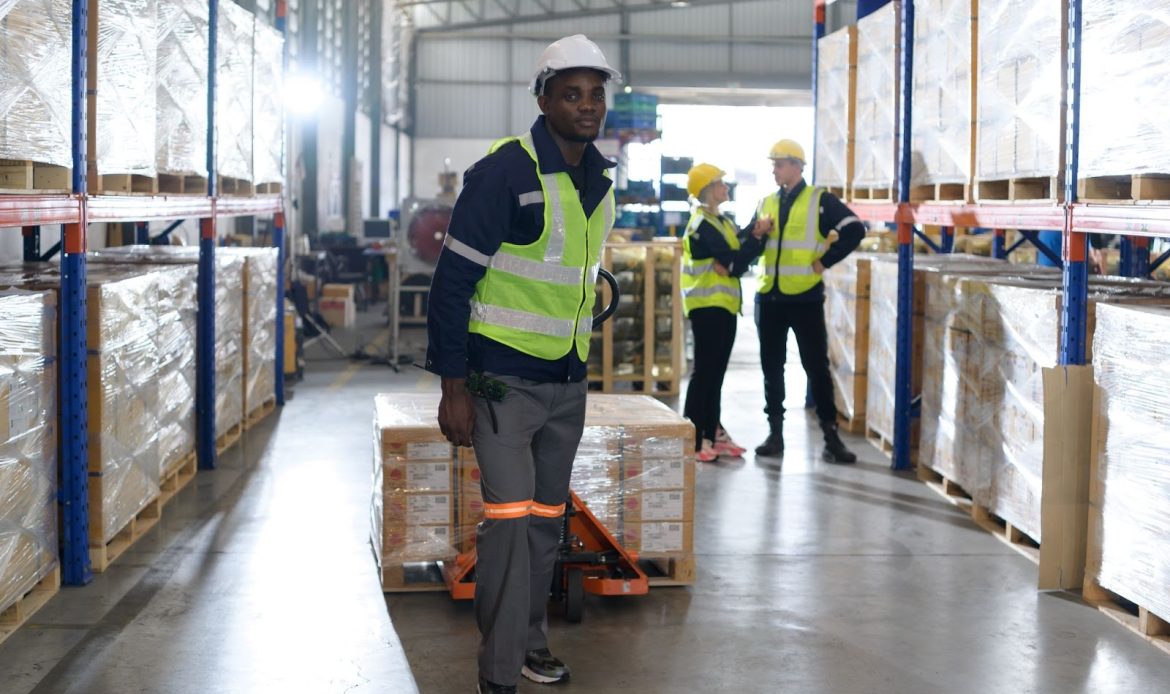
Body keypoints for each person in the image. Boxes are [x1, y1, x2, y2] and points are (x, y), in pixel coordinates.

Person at [424, 35, 620, 694]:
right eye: (572, 93)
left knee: (543, 528)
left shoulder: (600, 180)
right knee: (508, 532)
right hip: (500, 383)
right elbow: (451, 285)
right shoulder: (505, 173)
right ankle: (499, 676)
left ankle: (530, 646)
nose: (588, 106)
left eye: (596, 93)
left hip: (567, 382)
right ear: (544, 99)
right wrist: (453, 388)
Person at [750, 139, 865, 464]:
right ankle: (775, 434)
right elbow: (751, 242)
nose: (774, 170)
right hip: (769, 298)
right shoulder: (766, 202)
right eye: (772, 164)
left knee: (816, 367)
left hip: (804, 298)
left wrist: (825, 262)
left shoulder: (820, 200)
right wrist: (756, 233)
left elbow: (855, 229)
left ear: (797, 166)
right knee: (772, 368)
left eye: (779, 164)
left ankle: (831, 437)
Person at [680, 163, 770, 462]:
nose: (726, 188)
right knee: (704, 373)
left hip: (725, 307)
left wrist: (755, 236)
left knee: (715, 375)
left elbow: (737, 258)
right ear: (707, 188)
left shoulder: (721, 222)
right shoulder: (701, 225)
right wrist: (738, 258)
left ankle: (710, 432)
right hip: (706, 307)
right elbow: (733, 263)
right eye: (720, 183)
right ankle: (693, 440)